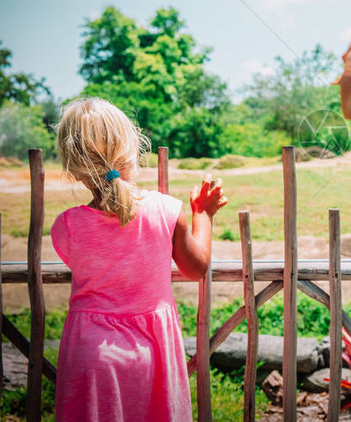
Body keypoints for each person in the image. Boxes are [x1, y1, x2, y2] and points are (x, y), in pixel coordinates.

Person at [51, 97, 228, 421]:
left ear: (74, 170)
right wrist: (202, 214)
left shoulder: (67, 226)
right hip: (153, 353)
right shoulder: (166, 211)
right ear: (133, 151)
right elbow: (196, 267)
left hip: (90, 357)